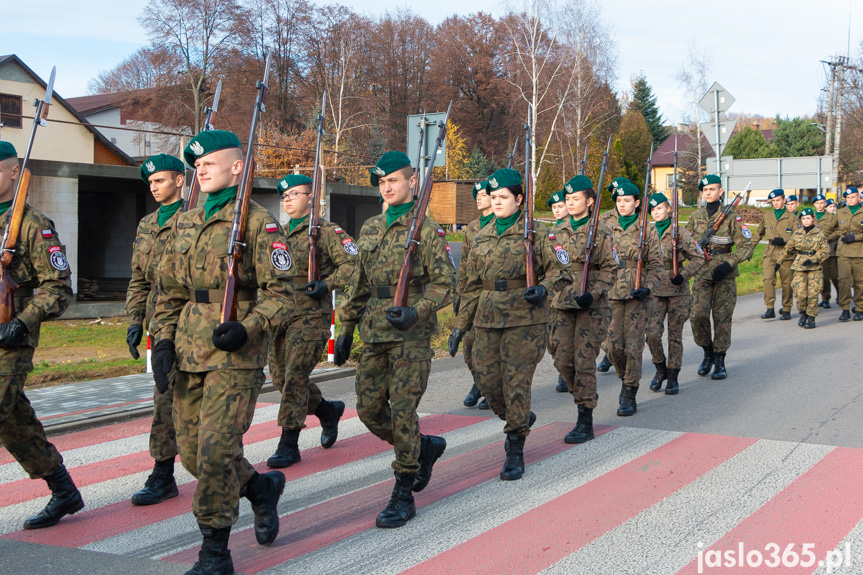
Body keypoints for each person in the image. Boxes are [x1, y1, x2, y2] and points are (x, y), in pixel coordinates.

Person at [150, 130, 293, 574]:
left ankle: (215, 550)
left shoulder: (259, 223)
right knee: (192, 454)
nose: (201, 168)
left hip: (235, 357)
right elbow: (169, 293)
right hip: (190, 352)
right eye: (197, 164)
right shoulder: (186, 223)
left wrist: (248, 327)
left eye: (210, 161)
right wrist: (164, 340)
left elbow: (283, 295)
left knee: (214, 453)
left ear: (237, 167)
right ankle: (259, 489)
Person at [335, 151, 453, 528]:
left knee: (402, 412)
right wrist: (345, 327)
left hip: (410, 336)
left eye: (393, 180)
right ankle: (424, 447)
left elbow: (444, 284)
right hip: (374, 331)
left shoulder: (427, 229)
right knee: (369, 409)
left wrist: (417, 311)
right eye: (381, 182)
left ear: (411, 182)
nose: (386, 187)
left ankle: (403, 490)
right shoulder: (370, 227)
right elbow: (358, 283)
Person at [449, 168, 570, 478]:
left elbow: (561, 271)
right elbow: (472, 284)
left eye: (503, 197)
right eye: (493, 197)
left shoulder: (538, 233)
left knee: (516, 383)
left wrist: (544, 288)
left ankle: (515, 447)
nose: (497, 202)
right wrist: (461, 325)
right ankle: (518, 417)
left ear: (519, 199)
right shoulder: (482, 235)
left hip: (524, 319)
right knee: (488, 382)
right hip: (487, 317)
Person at [0, 141, 81, 530]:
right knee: (13, 421)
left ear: (15, 172)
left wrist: (22, 322)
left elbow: (60, 288)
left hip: (10, 340)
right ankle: (63, 490)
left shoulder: (33, 225)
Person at [265, 173, 356, 468]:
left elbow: (354, 265)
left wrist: (327, 283)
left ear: (310, 198)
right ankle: (327, 411)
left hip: (311, 317)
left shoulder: (326, 231)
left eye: (294, 194)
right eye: (285, 196)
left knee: (293, 376)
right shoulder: (276, 233)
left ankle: (289, 442)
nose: (289, 200)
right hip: (280, 316)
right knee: (280, 378)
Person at [125, 154, 185, 506]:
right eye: (150, 182)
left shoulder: (195, 217)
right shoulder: (146, 224)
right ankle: (163, 472)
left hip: (192, 322)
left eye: (159, 180)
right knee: (164, 396)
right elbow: (138, 278)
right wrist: (135, 319)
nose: (153, 187)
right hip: (160, 325)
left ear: (179, 180)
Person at [551, 175, 614, 442]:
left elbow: (611, 268)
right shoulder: (557, 230)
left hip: (591, 307)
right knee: (562, 360)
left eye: (575, 198)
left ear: (589, 202)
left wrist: (595, 292)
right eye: (567, 199)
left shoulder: (601, 230)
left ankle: (584, 418)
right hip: (562, 303)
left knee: (583, 362)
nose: (570, 203)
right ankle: (584, 394)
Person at [686, 175, 754, 380]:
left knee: (722, 319)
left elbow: (747, 247)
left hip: (724, 273)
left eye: (712, 189)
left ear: (721, 192)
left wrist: (728, 264)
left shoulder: (732, 217)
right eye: (705, 189)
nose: (708, 192)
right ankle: (707, 352)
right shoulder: (695, 216)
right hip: (701, 272)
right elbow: (687, 243)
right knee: (697, 315)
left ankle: (720, 360)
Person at [605, 179, 662, 415]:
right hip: (610, 294)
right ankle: (624, 376)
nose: (622, 205)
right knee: (611, 345)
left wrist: (648, 287)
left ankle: (629, 390)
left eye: (627, 201)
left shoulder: (646, 229)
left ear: (637, 203)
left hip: (637, 296)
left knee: (634, 347)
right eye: (618, 201)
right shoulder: (605, 226)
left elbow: (657, 266)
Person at [645, 192, 705, 395]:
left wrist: (685, 274)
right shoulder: (648, 233)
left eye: (659, 208)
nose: (656, 213)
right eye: (652, 210)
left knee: (674, 336)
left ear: (669, 208)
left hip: (677, 291)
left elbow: (698, 257)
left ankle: (673, 376)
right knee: (652, 333)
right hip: (654, 291)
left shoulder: (680, 232)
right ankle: (660, 368)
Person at [458, 180, 493, 409]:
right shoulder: (471, 228)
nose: (478, 198)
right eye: (476, 195)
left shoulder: (502, 225)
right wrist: (459, 295)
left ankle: (492, 390)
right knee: (469, 345)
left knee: (490, 347)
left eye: (483, 194)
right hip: (472, 295)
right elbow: (464, 265)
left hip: (494, 294)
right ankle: (478, 382)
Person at [596, 177, 630, 374]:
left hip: (631, 281)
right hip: (611, 283)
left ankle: (627, 370)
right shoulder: (604, 219)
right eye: (617, 195)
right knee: (609, 328)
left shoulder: (638, 218)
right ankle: (610, 355)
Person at [779, 207, 829, 329]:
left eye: (808, 218)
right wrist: (778, 261)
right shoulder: (797, 234)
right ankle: (803, 313)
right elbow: (788, 249)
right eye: (803, 219)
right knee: (800, 293)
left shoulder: (820, 234)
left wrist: (813, 259)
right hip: (799, 266)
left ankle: (811, 318)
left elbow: (825, 251)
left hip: (814, 268)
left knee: (812, 294)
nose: (806, 221)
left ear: (813, 219)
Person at [756, 189, 796, 320]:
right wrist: (749, 247)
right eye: (773, 201)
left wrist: (784, 240)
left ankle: (786, 308)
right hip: (771, 252)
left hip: (786, 253)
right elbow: (758, 233)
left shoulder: (792, 217)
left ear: (784, 200)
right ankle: (769, 308)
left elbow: (798, 237)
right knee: (768, 280)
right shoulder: (767, 216)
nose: (776, 203)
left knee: (787, 282)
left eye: (778, 200)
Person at [547, 189, 570, 393]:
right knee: (550, 338)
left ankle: (565, 373)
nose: (557, 210)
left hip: (567, 290)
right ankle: (561, 366)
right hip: (551, 293)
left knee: (563, 336)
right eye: (553, 207)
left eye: (560, 206)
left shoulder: (572, 230)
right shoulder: (549, 233)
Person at [833, 186, 863, 321]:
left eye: (853, 197)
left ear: (858, 197)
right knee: (843, 281)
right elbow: (830, 228)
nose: (850, 200)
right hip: (843, 251)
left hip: (859, 251)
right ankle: (845, 308)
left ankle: (860, 308)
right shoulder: (841, 212)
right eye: (848, 198)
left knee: (860, 282)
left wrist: (855, 237)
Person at [813, 194, 839, 308]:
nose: (820, 205)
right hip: (814, 250)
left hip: (830, 249)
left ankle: (841, 294)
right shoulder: (810, 216)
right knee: (822, 276)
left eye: (822, 203)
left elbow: (838, 231)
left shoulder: (832, 217)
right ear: (814, 204)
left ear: (825, 204)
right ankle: (825, 298)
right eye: (817, 203)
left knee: (834, 275)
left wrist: (828, 238)